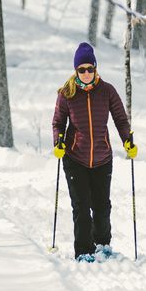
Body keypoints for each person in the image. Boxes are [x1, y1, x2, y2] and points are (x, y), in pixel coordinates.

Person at [52, 42, 137, 262]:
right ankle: (84, 250)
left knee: (102, 206)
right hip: (75, 157)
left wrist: (127, 140)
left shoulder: (107, 90)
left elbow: (120, 118)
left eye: (90, 68)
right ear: (76, 70)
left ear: (96, 69)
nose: (87, 73)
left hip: (102, 157)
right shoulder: (67, 93)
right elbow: (58, 123)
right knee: (81, 207)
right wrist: (58, 142)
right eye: (82, 69)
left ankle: (102, 244)